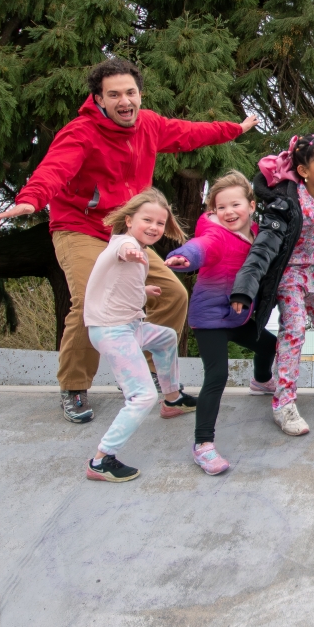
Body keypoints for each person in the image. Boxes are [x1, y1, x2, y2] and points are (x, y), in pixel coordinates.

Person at [0, 58, 258, 425]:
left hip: (124, 232)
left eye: (130, 93)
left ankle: (150, 378)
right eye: (113, 95)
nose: (124, 101)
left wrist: (233, 129)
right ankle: (74, 386)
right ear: (99, 100)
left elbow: (189, 132)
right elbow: (55, 169)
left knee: (175, 296)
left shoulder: (149, 125)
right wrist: (32, 198)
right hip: (79, 228)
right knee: (91, 302)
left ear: (139, 95)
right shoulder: (81, 132)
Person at [230, 135, 314, 437]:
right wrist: (245, 287)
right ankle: (283, 402)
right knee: (294, 329)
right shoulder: (286, 202)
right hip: (291, 276)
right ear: (304, 171)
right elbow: (263, 246)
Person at [165, 171, 278, 475]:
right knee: (217, 376)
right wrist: (183, 257)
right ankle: (203, 445)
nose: (228, 212)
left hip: (238, 316)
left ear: (252, 205)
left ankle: (261, 379)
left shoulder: (258, 234)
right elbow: (201, 247)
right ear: (213, 211)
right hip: (210, 318)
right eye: (221, 207)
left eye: (235, 205)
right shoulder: (216, 234)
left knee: (269, 344)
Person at [83, 189, 195, 482]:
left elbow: (117, 281)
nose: (154, 228)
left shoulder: (139, 249)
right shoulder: (125, 244)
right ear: (129, 220)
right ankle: (101, 459)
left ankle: (172, 398)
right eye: (147, 220)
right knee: (142, 395)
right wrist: (131, 252)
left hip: (130, 326)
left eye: (160, 223)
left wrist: (143, 290)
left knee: (167, 337)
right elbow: (122, 253)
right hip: (112, 331)